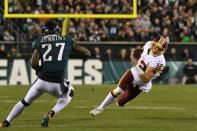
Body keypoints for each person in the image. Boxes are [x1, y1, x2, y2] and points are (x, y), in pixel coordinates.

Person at [0, 21, 91, 128]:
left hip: (41, 81)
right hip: (57, 83)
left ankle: (6, 121)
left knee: (24, 102)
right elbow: (86, 53)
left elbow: (33, 63)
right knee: (70, 92)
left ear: (44, 31)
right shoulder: (67, 40)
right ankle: (51, 113)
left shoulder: (39, 41)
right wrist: (73, 50)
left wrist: (39, 71)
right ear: (58, 31)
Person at [90, 36, 168, 116]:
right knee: (118, 91)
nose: (156, 50)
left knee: (120, 102)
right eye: (156, 46)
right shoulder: (148, 44)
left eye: (160, 49)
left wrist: (136, 65)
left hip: (141, 84)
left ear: (163, 51)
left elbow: (146, 78)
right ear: (152, 44)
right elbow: (140, 53)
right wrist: (134, 55)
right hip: (133, 73)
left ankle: (124, 100)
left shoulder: (160, 61)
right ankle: (100, 108)